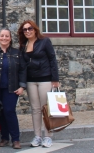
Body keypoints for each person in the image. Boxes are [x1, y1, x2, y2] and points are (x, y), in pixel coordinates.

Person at [18, 20, 59, 148]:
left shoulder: (45, 41)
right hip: (31, 80)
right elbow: (23, 66)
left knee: (46, 108)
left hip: (45, 79)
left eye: (30, 28)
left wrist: (55, 79)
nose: (28, 31)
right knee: (35, 109)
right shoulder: (23, 45)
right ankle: (37, 136)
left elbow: (52, 59)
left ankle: (48, 136)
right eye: (25, 30)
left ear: (35, 29)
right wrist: (22, 83)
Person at [0, 28, 26, 149]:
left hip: (12, 89)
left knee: (9, 111)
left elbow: (22, 70)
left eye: (7, 36)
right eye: (2, 36)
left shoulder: (17, 53)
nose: (4, 38)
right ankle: (4, 137)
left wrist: (22, 86)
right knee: (1, 113)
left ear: (10, 38)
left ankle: (16, 139)